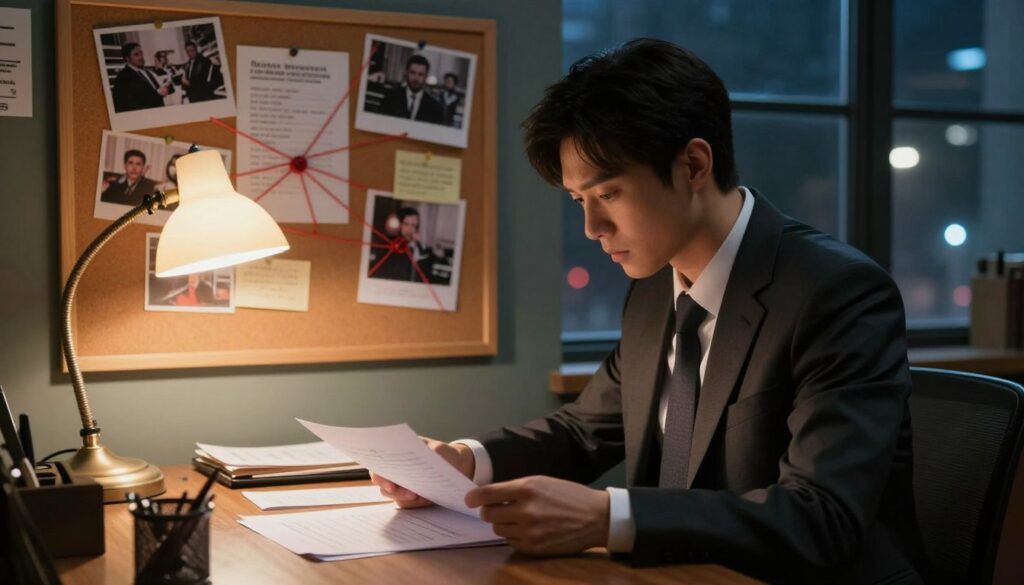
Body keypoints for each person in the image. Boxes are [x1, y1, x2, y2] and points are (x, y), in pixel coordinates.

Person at [372, 39, 925, 584]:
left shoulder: (836, 292)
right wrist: (464, 461)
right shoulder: (655, 287)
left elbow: (822, 517)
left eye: (607, 194)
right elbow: (586, 430)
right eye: (577, 202)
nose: (591, 229)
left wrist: (607, 516)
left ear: (693, 164)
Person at [370, 207, 445, 282]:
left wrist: (435, 255)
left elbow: (421, 271)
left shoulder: (417, 245)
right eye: (406, 224)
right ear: (399, 225)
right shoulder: (388, 245)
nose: (410, 229)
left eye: (414, 225)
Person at [376, 54, 444, 124]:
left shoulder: (434, 107)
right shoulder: (390, 97)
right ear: (406, 73)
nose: (416, 78)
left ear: (426, 76)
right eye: (412, 73)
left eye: (421, 74)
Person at [111, 42, 167, 112]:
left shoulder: (146, 71)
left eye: (141, 53)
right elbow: (128, 104)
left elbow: (153, 90)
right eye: (136, 54)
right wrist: (157, 94)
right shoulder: (122, 78)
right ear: (127, 58)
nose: (141, 57)